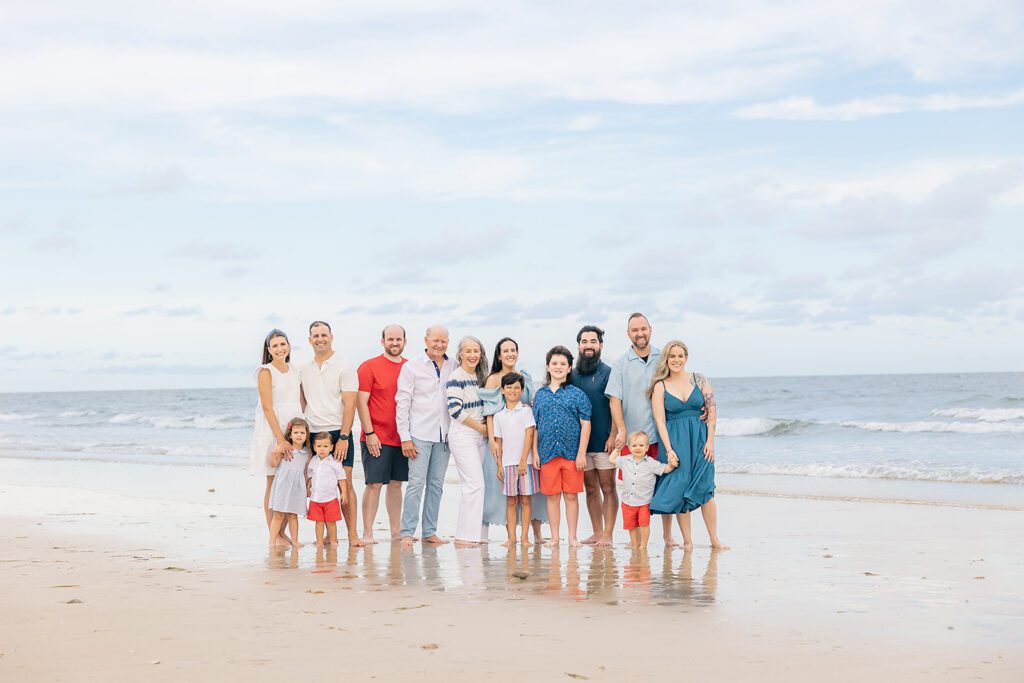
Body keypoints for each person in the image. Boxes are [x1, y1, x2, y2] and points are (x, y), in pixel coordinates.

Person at [648, 340, 727, 550]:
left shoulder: (699, 380)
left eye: (680, 356)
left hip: (701, 440)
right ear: (666, 358)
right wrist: (669, 450)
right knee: (681, 489)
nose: (676, 360)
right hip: (674, 442)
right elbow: (660, 421)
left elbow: (712, 412)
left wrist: (710, 441)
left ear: (686, 358)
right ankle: (688, 542)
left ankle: (714, 539)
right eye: (672, 356)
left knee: (706, 488)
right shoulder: (660, 386)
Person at [606, 312, 674, 544]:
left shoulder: (662, 358)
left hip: (660, 434)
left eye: (643, 329)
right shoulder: (620, 364)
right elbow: (614, 399)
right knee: (632, 488)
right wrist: (621, 430)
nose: (640, 333)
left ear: (650, 330)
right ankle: (636, 541)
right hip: (633, 440)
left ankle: (667, 536)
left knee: (665, 486)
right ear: (628, 334)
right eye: (634, 330)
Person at [299, 321, 361, 546]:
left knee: (345, 483)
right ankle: (328, 534)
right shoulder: (303, 369)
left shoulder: (344, 365)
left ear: (331, 337)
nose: (320, 339)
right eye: (315, 335)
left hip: (338, 432)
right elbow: (302, 400)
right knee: (320, 482)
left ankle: (352, 535)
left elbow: (350, 404)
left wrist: (344, 437)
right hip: (313, 433)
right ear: (309, 340)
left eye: (324, 334)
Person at [480, 337, 547, 543]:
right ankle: (506, 536)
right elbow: (490, 413)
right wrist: (492, 439)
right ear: (499, 355)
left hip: (526, 440)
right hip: (504, 441)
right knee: (502, 494)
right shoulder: (494, 379)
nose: (510, 354)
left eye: (513, 350)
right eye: (505, 351)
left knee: (532, 494)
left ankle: (534, 534)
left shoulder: (524, 376)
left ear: (517, 353)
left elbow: (532, 407)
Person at [396, 326, 458, 548]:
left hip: (445, 436)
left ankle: (429, 531)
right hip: (419, 434)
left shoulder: (454, 365)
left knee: (436, 485)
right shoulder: (411, 367)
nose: (439, 345)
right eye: (435, 341)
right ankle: (407, 532)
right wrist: (405, 437)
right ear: (426, 340)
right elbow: (402, 403)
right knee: (416, 483)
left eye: (444, 341)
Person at [532, 346, 591, 547]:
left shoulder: (577, 394)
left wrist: (582, 452)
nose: (558, 367)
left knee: (571, 495)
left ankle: (572, 537)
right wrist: (535, 452)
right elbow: (535, 426)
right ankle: (555, 537)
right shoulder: (540, 395)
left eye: (563, 364)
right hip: (547, 453)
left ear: (569, 368)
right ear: (548, 367)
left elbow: (586, 423)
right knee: (552, 496)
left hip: (572, 453)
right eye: (554, 363)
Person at [249, 328, 303, 546]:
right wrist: (281, 439)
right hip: (273, 430)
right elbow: (268, 408)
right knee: (273, 483)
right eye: (275, 346)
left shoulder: (295, 370)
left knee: (290, 481)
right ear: (268, 350)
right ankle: (275, 536)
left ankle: (283, 533)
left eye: (283, 344)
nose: (280, 348)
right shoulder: (265, 371)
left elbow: (300, 401)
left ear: (289, 346)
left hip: (294, 428)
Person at [356, 324, 409, 544]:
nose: (394, 343)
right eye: (390, 339)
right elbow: (361, 402)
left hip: (402, 437)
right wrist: (370, 433)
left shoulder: (410, 367)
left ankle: (396, 532)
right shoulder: (369, 367)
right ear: (382, 341)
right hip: (376, 436)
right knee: (374, 484)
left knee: (397, 484)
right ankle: (368, 533)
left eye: (398, 339)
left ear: (405, 341)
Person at [571, 325, 617, 547]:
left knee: (608, 488)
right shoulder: (571, 374)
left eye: (593, 341)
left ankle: (608, 533)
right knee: (590, 489)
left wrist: (614, 435)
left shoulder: (609, 372)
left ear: (600, 345)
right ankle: (597, 532)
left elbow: (617, 406)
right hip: (581, 445)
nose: (588, 345)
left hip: (604, 441)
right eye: (584, 341)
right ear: (579, 345)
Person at [446, 336, 490, 548]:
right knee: (474, 485)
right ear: (460, 354)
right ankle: (465, 537)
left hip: (480, 436)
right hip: (463, 435)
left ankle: (480, 535)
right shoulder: (456, 376)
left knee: (482, 485)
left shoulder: (481, 377)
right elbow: (455, 410)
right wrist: (480, 427)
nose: (473, 355)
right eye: (468, 351)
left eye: (476, 351)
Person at [609, 431, 677, 550]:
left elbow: (664, 469)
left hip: (644, 502)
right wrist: (617, 448)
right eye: (634, 445)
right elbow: (612, 459)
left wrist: (671, 465)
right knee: (631, 525)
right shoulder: (625, 461)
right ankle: (635, 544)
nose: (638, 448)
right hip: (627, 501)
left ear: (647, 447)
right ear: (629, 447)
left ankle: (643, 546)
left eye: (641, 445)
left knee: (644, 524)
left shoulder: (651, 463)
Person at [492, 372, 538, 547]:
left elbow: (529, 435)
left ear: (522, 390)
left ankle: (525, 537)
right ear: (502, 390)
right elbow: (499, 442)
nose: (512, 391)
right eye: (509, 387)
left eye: (516, 388)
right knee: (511, 501)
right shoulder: (499, 416)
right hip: (507, 464)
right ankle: (512, 537)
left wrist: (522, 460)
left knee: (526, 500)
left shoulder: (526, 411)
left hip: (524, 464)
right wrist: (499, 465)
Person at [267, 417, 312, 549]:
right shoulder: (285, 449)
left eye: (302, 433)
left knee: (293, 515)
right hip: (282, 484)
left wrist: (307, 487)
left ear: (306, 435)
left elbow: (306, 472)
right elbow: (273, 464)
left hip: (297, 487)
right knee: (278, 515)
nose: (299, 435)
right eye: (296, 432)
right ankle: (271, 541)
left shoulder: (307, 453)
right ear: (290, 434)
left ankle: (295, 540)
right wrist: (274, 452)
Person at [306, 431, 348, 548]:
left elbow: (341, 478)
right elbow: (310, 476)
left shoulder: (335, 461)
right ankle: (319, 542)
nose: (322, 449)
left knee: (331, 522)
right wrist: (307, 487)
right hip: (316, 498)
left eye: (325, 446)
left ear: (331, 447)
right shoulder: (313, 461)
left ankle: (333, 541)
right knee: (318, 522)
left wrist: (344, 492)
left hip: (330, 498)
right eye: (319, 446)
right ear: (314, 447)